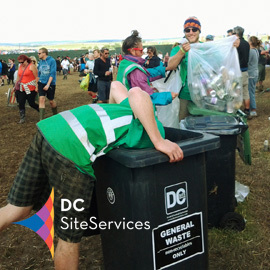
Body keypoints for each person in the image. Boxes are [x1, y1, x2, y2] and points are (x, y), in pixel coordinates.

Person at [0, 81, 183, 270]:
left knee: (16, 208)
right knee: (69, 238)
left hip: (49, 129)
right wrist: (159, 140)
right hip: (71, 147)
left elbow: (116, 85)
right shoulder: (151, 123)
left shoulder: (124, 109)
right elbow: (137, 92)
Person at [116, 30, 177, 106]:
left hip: (124, 104)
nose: (142, 53)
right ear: (132, 51)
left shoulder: (124, 63)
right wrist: (169, 96)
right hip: (133, 109)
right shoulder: (135, 70)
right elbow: (147, 97)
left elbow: (146, 74)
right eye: (141, 50)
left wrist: (165, 69)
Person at [168, 16, 202, 121]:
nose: (191, 32)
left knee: (204, 125)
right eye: (187, 30)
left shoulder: (206, 47)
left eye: (194, 29)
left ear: (199, 31)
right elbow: (170, 66)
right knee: (183, 124)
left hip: (204, 95)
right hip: (185, 95)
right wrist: (182, 51)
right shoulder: (178, 49)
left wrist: (232, 45)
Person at [14, 55, 39, 124]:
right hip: (22, 88)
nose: (21, 64)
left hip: (31, 88)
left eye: (22, 62)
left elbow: (37, 77)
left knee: (31, 103)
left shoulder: (32, 66)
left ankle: (40, 110)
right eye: (20, 62)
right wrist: (15, 86)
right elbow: (18, 77)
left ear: (26, 60)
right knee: (21, 102)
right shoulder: (20, 67)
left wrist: (37, 87)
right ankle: (22, 118)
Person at [233, 26, 250, 116]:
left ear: (236, 34)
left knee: (237, 92)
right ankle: (247, 110)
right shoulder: (247, 43)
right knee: (245, 92)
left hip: (238, 71)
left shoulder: (237, 42)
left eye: (233, 33)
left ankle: (237, 111)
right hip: (245, 70)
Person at [37, 47, 57, 120]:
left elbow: (52, 73)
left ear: (44, 53)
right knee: (41, 99)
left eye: (39, 53)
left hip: (50, 84)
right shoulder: (40, 62)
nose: (38, 54)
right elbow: (39, 74)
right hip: (41, 82)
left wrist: (48, 84)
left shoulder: (52, 61)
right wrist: (37, 85)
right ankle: (41, 119)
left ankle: (55, 115)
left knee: (51, 101)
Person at [248, 36, 259, 117]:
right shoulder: (256, 50)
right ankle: (252, 108)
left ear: (251, 42)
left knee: (250, 92)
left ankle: (253, 110)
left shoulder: (251, 51)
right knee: (252, 91)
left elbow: (247, 62)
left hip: (251, 74)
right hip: (255, 72)